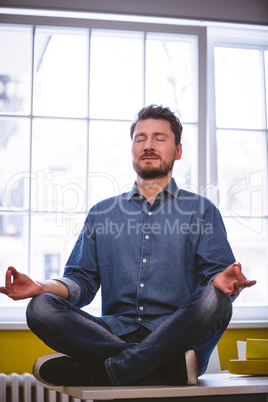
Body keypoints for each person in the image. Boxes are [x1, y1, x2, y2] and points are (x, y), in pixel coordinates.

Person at [0, 105, 256, 387]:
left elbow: (217, 288)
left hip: (178, 338)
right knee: (40, 308)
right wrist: (41, 286)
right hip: (112, 335)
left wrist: (225, 284)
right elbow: (81, 282)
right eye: (140, 139)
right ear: (132, 149)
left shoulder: (202, 210)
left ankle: (113, 369)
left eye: (159, 138)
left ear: (178, 151)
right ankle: (156, 367)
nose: (148, 145)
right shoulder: (101, 213)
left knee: (215, 299)